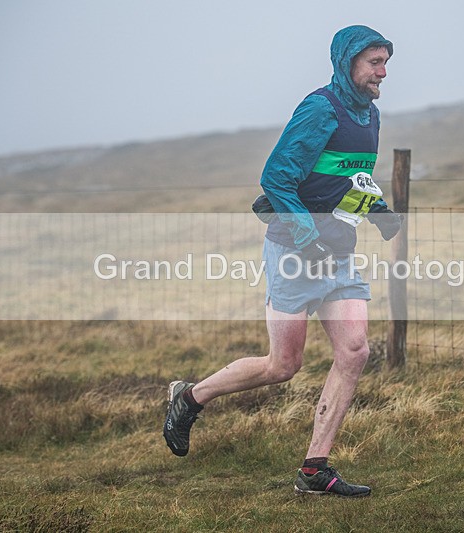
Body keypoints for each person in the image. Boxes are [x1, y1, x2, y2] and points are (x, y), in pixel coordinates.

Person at [163, 25, 401, 498]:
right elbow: (277, 178)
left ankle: (315, 469)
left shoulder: (370, 116)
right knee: (283, 365)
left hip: (338, 255)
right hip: (294, 251)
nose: (383, 71)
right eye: (374, 61)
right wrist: (306, 235)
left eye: (385, 61)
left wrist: (376, 210)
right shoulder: (320, 109)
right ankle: (189, 397)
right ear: (348, 62)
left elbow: (346, 178)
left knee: (355, 350)